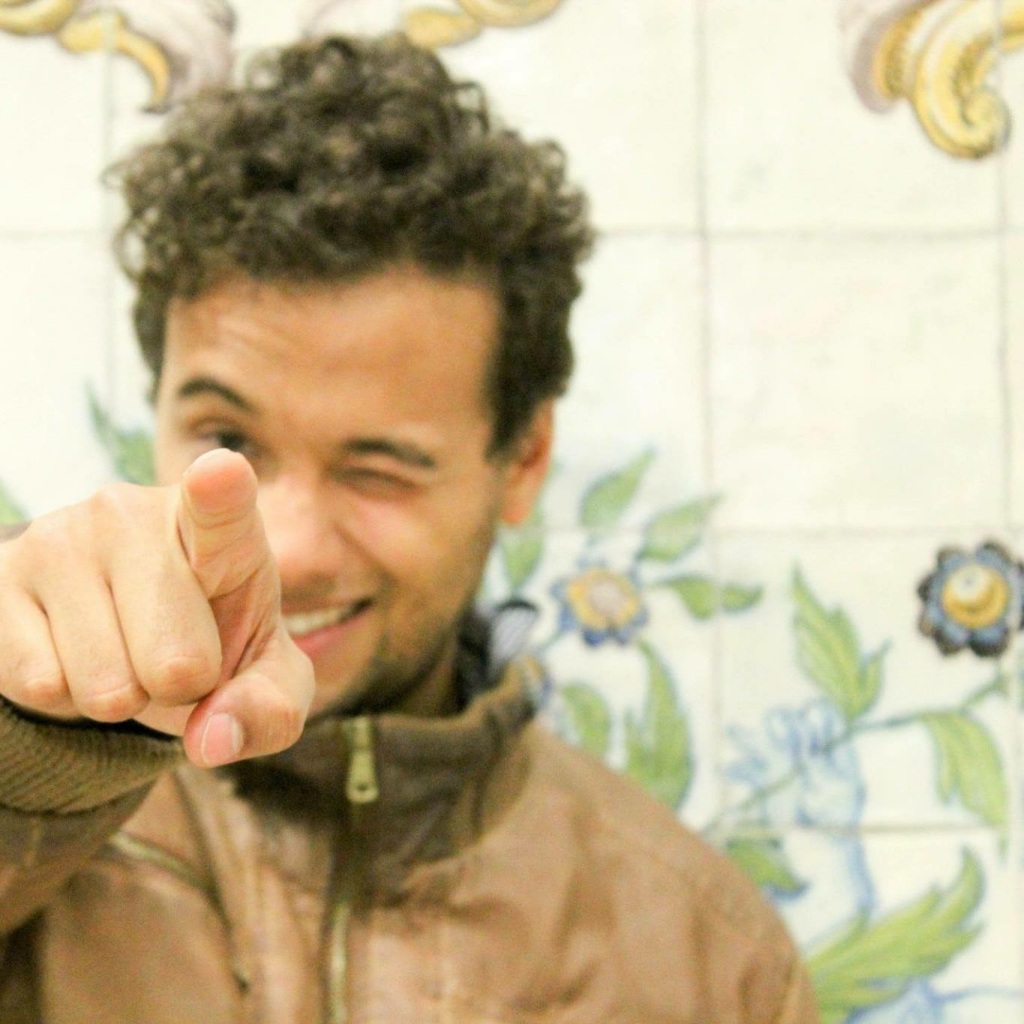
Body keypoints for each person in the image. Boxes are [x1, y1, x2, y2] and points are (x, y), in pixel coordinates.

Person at [0, 32, 819, 1023]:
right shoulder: (35, 839)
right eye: (227, 440)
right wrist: (27, 753)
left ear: (522, 460)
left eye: (379, 469)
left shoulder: (708, 966)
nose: (289, 549)